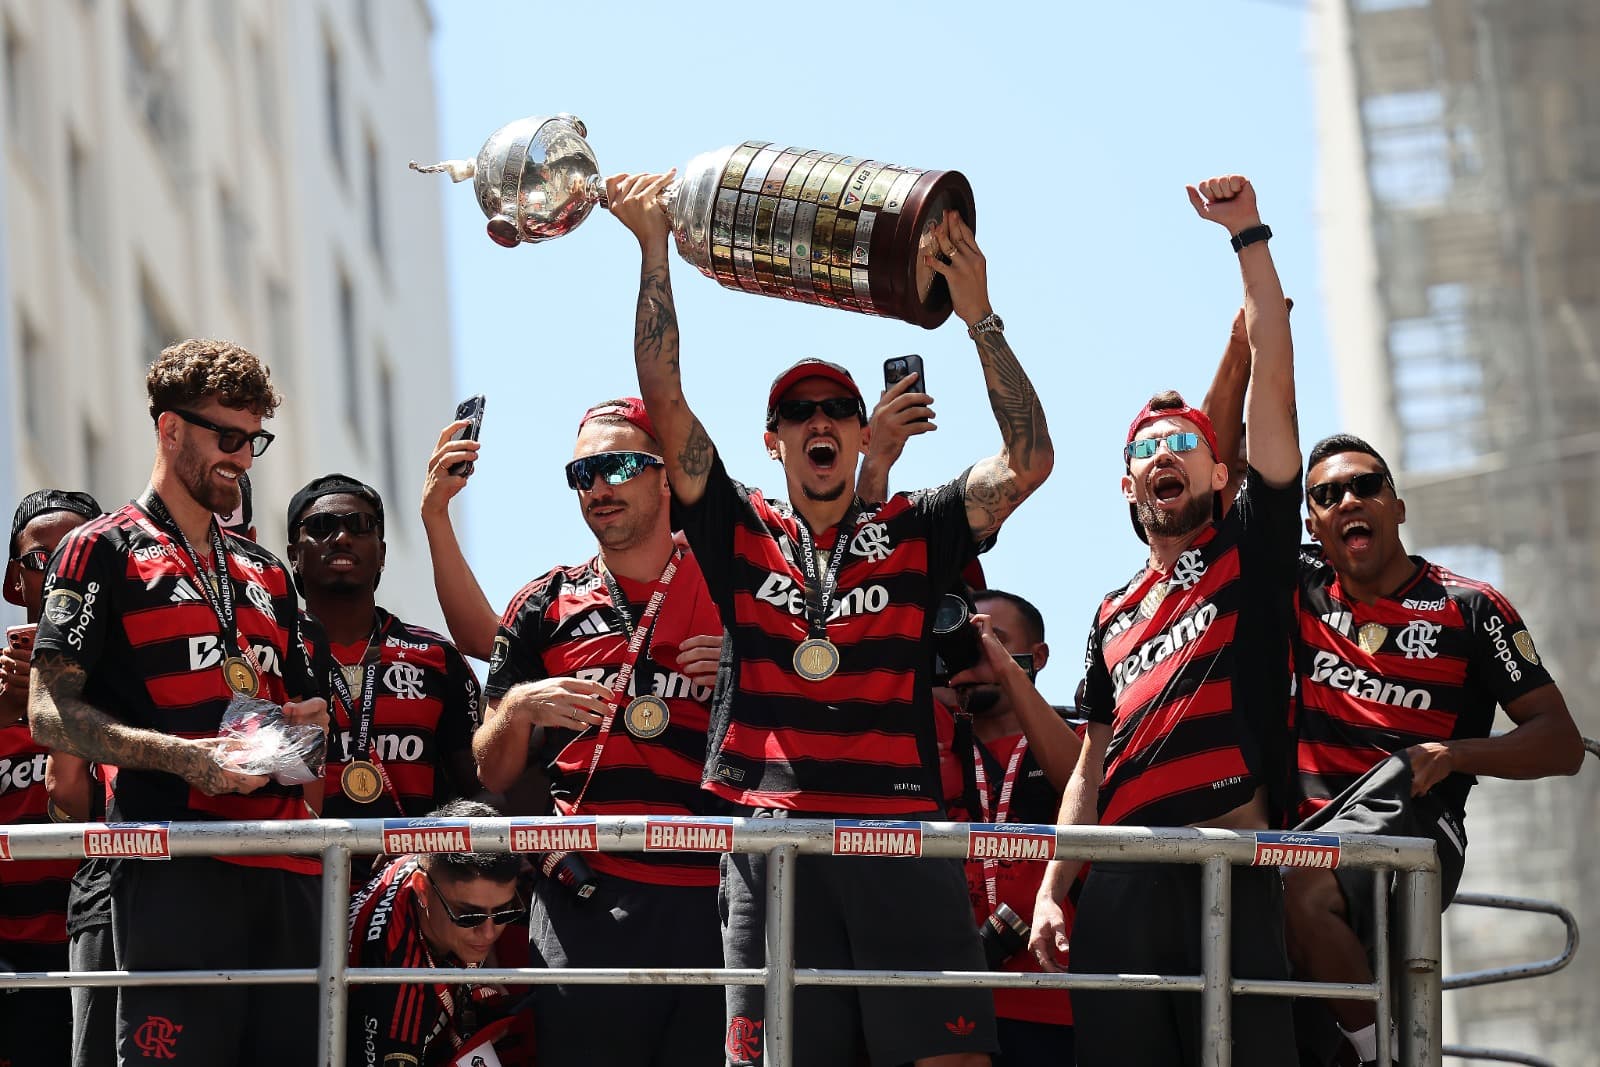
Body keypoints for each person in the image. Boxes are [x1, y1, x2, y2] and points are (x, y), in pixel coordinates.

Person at [609, 166, 1053, 1067]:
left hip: (897, 829)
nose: (821, 421)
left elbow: (1031, 459)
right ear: (774, 440)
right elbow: (663, 396)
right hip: (773, 837)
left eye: (839, 410)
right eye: (798, 412)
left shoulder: (917, 526)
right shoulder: (737, 526)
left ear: (859, 434)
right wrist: (655, 249)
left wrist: (979, 315)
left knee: (954, 1060)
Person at [1029, 175, 1300, 1066]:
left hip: (1230, 866)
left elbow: (1274, 395)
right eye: (1146, 450)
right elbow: (1087, 768)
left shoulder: (1246, 555)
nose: (1164, 457)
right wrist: (1053, 884)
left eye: (1183, 442)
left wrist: (1249, 239)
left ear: (1220, 474)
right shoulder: (1109, 612)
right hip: (1122, 885)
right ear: (1129, 487)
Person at [27, 338, 329, 1066]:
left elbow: (306, 715)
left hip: (287, 870)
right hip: (176, 866)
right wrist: (184, 759)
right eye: (227, 436)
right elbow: (47, 708)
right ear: (169, 428)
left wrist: (305, 727)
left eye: (254, 439)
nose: (244, 458)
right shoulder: (101, 549)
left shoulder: (268, 572)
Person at [1282, 434, 1583, 1066]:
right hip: (1307, 836)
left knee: (1300, 891)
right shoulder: (1295, 587)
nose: (1348, 500)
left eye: (1366, 486)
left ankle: (1380, 1055)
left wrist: (1452, 755)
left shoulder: (1471, 607)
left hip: (1415, 825)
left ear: (1397, 506)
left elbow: (1560, 742)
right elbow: (1231, 495)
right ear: (1313, 523)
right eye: (1326, 495)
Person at [473, 397, 727, 1065]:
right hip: (587, 899)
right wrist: (519, 705)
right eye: (581, 473)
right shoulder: (541, 601)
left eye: (616, 466)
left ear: (666, 473)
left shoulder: (738, 583)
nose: (598, 487)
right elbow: (492, 773)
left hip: (718, 896)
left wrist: (748, 664)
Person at [288, 474, 483, 879]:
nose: (341, 538)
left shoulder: (437, 656)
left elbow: (481, 785)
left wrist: (424, 842)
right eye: (321, 527)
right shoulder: (269, 652)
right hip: (297, 888)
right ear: (294, 554)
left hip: (410, 896)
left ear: (381, 554)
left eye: (359, 525)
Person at [947, 590, 1081, 1066]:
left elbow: (1086, 791)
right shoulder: (935, 741)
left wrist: (1006, 671)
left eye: (993, 642)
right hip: (947, 996)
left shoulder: (1076, 738)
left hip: (1051, 995)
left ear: (1036, 656)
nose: (978, 657)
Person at [0, 490, 102, 1067]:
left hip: (110, 951)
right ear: (15, 582)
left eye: (78, 555)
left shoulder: (136, 690)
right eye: (44, 558)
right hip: (10, 971)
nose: (61, 572)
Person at [348, 799, 534, 1067]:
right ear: (422, 888)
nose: (489, 933)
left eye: (505, 912)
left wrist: (485, 972)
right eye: (469, 916)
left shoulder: (427, 850)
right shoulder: (399, 996)